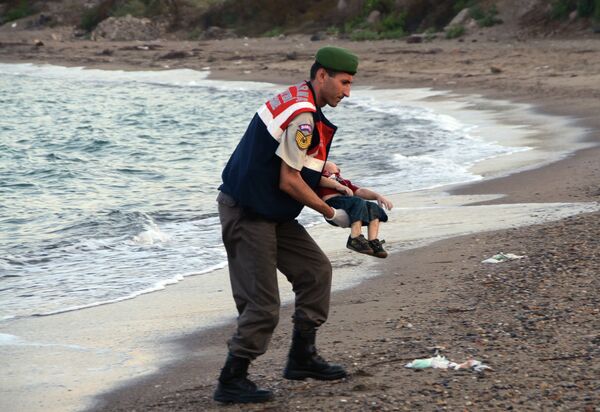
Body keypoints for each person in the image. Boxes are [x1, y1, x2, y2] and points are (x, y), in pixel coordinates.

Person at [213, 46, 359, 404]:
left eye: (351, 84)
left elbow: (297, 164)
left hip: (272, 211)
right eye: (343, 82)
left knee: (315, 270)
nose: (348, 92)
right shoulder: (304, 116)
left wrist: (332, 180)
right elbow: (289, 181)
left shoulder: (299, 99)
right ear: (322, 75)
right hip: (247, 213)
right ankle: (232, 379)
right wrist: (330, 213)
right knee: (262, 305)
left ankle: (301, 358)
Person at [318, 161, 393, 258]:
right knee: (357, 201)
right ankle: (355, 238)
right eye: (327, 172)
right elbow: (319, 179)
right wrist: (337, 185)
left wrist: (377, 196)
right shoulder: (321, 178)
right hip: (332, 204)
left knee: (373, 207)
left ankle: (372, 242)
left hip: (350, 208)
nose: (333, 173)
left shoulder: (344, 182)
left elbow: (360, 191)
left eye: (336, 172)